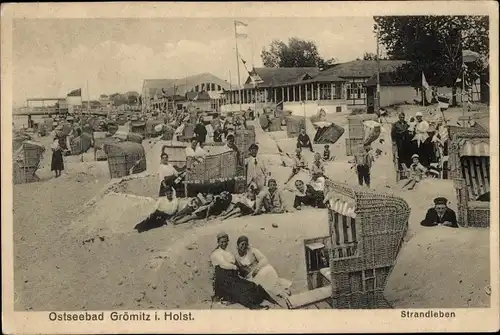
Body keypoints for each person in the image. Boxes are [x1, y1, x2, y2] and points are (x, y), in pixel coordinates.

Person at [210, 233, 276, 309]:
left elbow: (238, 265)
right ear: (218, 242)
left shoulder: (229, 253)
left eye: (225, 241)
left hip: (233, 277)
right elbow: (223, 264)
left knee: (251, 285)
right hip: (223, 280)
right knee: (240, 291)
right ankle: (255, 306)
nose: (224, 244)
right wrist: (234, 267)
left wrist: (245, 272)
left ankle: (270, 299)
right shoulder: (216, 253)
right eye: (222, 242)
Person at [235, 236, 292, 303]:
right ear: (238, 245)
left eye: (245, 244)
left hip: (259, 270)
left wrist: (257, 269)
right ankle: (280, 291)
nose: (244, 246)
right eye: (242, 244)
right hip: (251, 277)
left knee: (268, 270)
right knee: (262, 285)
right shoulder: (236, 257)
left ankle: (281, 292)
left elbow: (264, 259)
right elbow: (239, 270)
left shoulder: (252, 250)